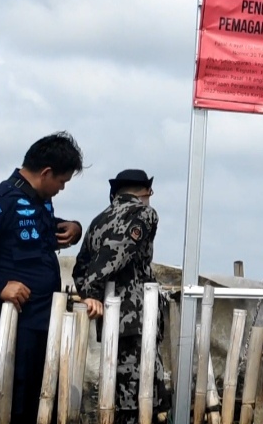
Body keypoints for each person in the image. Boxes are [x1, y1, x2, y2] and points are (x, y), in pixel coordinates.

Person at [0, 131, 85, 423]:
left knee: (40, 403)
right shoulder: (1, 199)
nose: (61, 189)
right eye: (61, 182)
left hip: (40, 320)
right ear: (46, 172)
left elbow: (40, 231)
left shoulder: (39, 201)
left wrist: (73, 227)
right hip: (11, 321)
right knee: (12, 403)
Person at [72, 169, 171, 424]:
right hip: (136, 317)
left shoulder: (98, 221)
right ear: (147, 192)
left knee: (118, 390)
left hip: (109, 317)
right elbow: (120, 250)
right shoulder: (144, 213)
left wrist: (88, 295)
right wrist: (93, 287)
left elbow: (80, 266)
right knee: (142, 394)